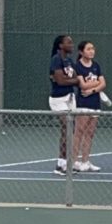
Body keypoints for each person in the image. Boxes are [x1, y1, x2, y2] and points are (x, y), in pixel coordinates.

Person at [71, 41, 106, 172]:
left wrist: (93, 89)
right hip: (83, 104)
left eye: (93, 48)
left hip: (95, 103)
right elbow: (83, 85)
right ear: (81, 52)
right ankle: (74, 161)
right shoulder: (78, 66)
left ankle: (86, 161)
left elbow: (103, 84)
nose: (92, 51)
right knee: (79, 132)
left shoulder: (96, 65)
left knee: (90, 133)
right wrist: (96, 83)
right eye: (88, 49)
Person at [49, 35, 78, 176]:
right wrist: (73, 80)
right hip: (58, 99)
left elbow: (76, 77)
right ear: (61, 45)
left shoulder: (69, 61)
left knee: (69, 130)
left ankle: (64, 163)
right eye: (69, 42)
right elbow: (60, 81)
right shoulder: (56, 59)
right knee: (66, 128)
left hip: (70, 98)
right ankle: (60, 165)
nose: (72, 45)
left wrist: (72, 79)